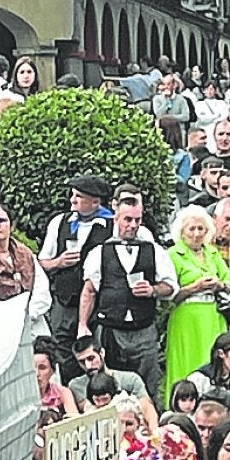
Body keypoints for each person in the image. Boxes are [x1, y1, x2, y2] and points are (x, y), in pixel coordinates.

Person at [78, 189, 177, 399]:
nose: (132, 225)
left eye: (137, 220)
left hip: (143, 328)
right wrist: (83, 325)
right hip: (110, 329)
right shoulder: (100, 252)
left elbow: (170, 287)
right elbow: (89, 291)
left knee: (149, 383)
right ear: (116, 218)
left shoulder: (154, 250)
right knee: (108, 382)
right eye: (127, 219)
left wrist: (152, 290)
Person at [38, 174, 113, 363]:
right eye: (73, 195)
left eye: (78, 196)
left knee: (98, 354)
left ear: (95, 201)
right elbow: (42, 262)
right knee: (60, 353)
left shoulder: (112, 226)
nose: (72, 200)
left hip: (99, 305)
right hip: (64, 305)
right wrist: (59, 262)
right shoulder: (59, 222)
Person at [165, 205, 230, 396]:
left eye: (200, 229)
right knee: (186, 360)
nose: (196, 234)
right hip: (186, 316)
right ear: (182, 231)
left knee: (212, 357)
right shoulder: (173, 254)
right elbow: (169, 294)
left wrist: (219, 284)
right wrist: (195, 286)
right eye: (191, 229)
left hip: (213, 315)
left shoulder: (212, 253)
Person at [66, 335, 158, 426]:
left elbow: (146, 407)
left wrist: (155, 433)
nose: (88, 366)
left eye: (91, 358)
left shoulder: (130, 379)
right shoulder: (76, 386)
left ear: (101, 353)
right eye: (82, 362)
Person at [33, 336, 78, 424]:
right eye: (32, 368)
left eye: (42, 368)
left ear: (52, 371)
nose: (37, 374)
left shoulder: (63, 392)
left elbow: (75, 421)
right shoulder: (21, 399)